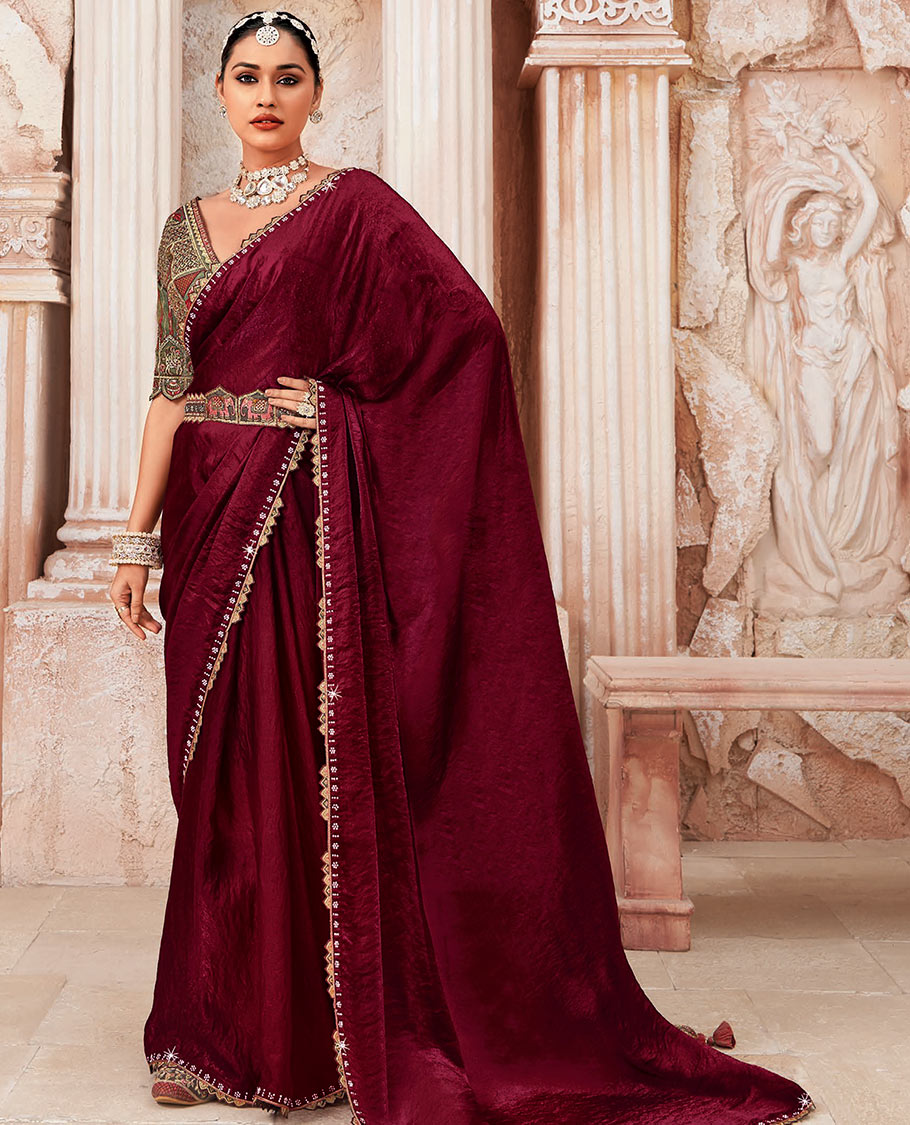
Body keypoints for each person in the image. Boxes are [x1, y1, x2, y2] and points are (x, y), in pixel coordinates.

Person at [108, 9, 816, 1124]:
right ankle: (210, 1030)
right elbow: (166, 386)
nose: (264, 96)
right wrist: (133, 538)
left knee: (294, 761)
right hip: (205, 515)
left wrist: (334, 410)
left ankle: (311, 1039)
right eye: (245, 76)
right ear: (218, 92)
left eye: (287, 78)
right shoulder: (182, 232)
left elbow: (465, 338)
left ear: (314, 95)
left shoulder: (357, 212)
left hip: (298, 514)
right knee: (215, 779)